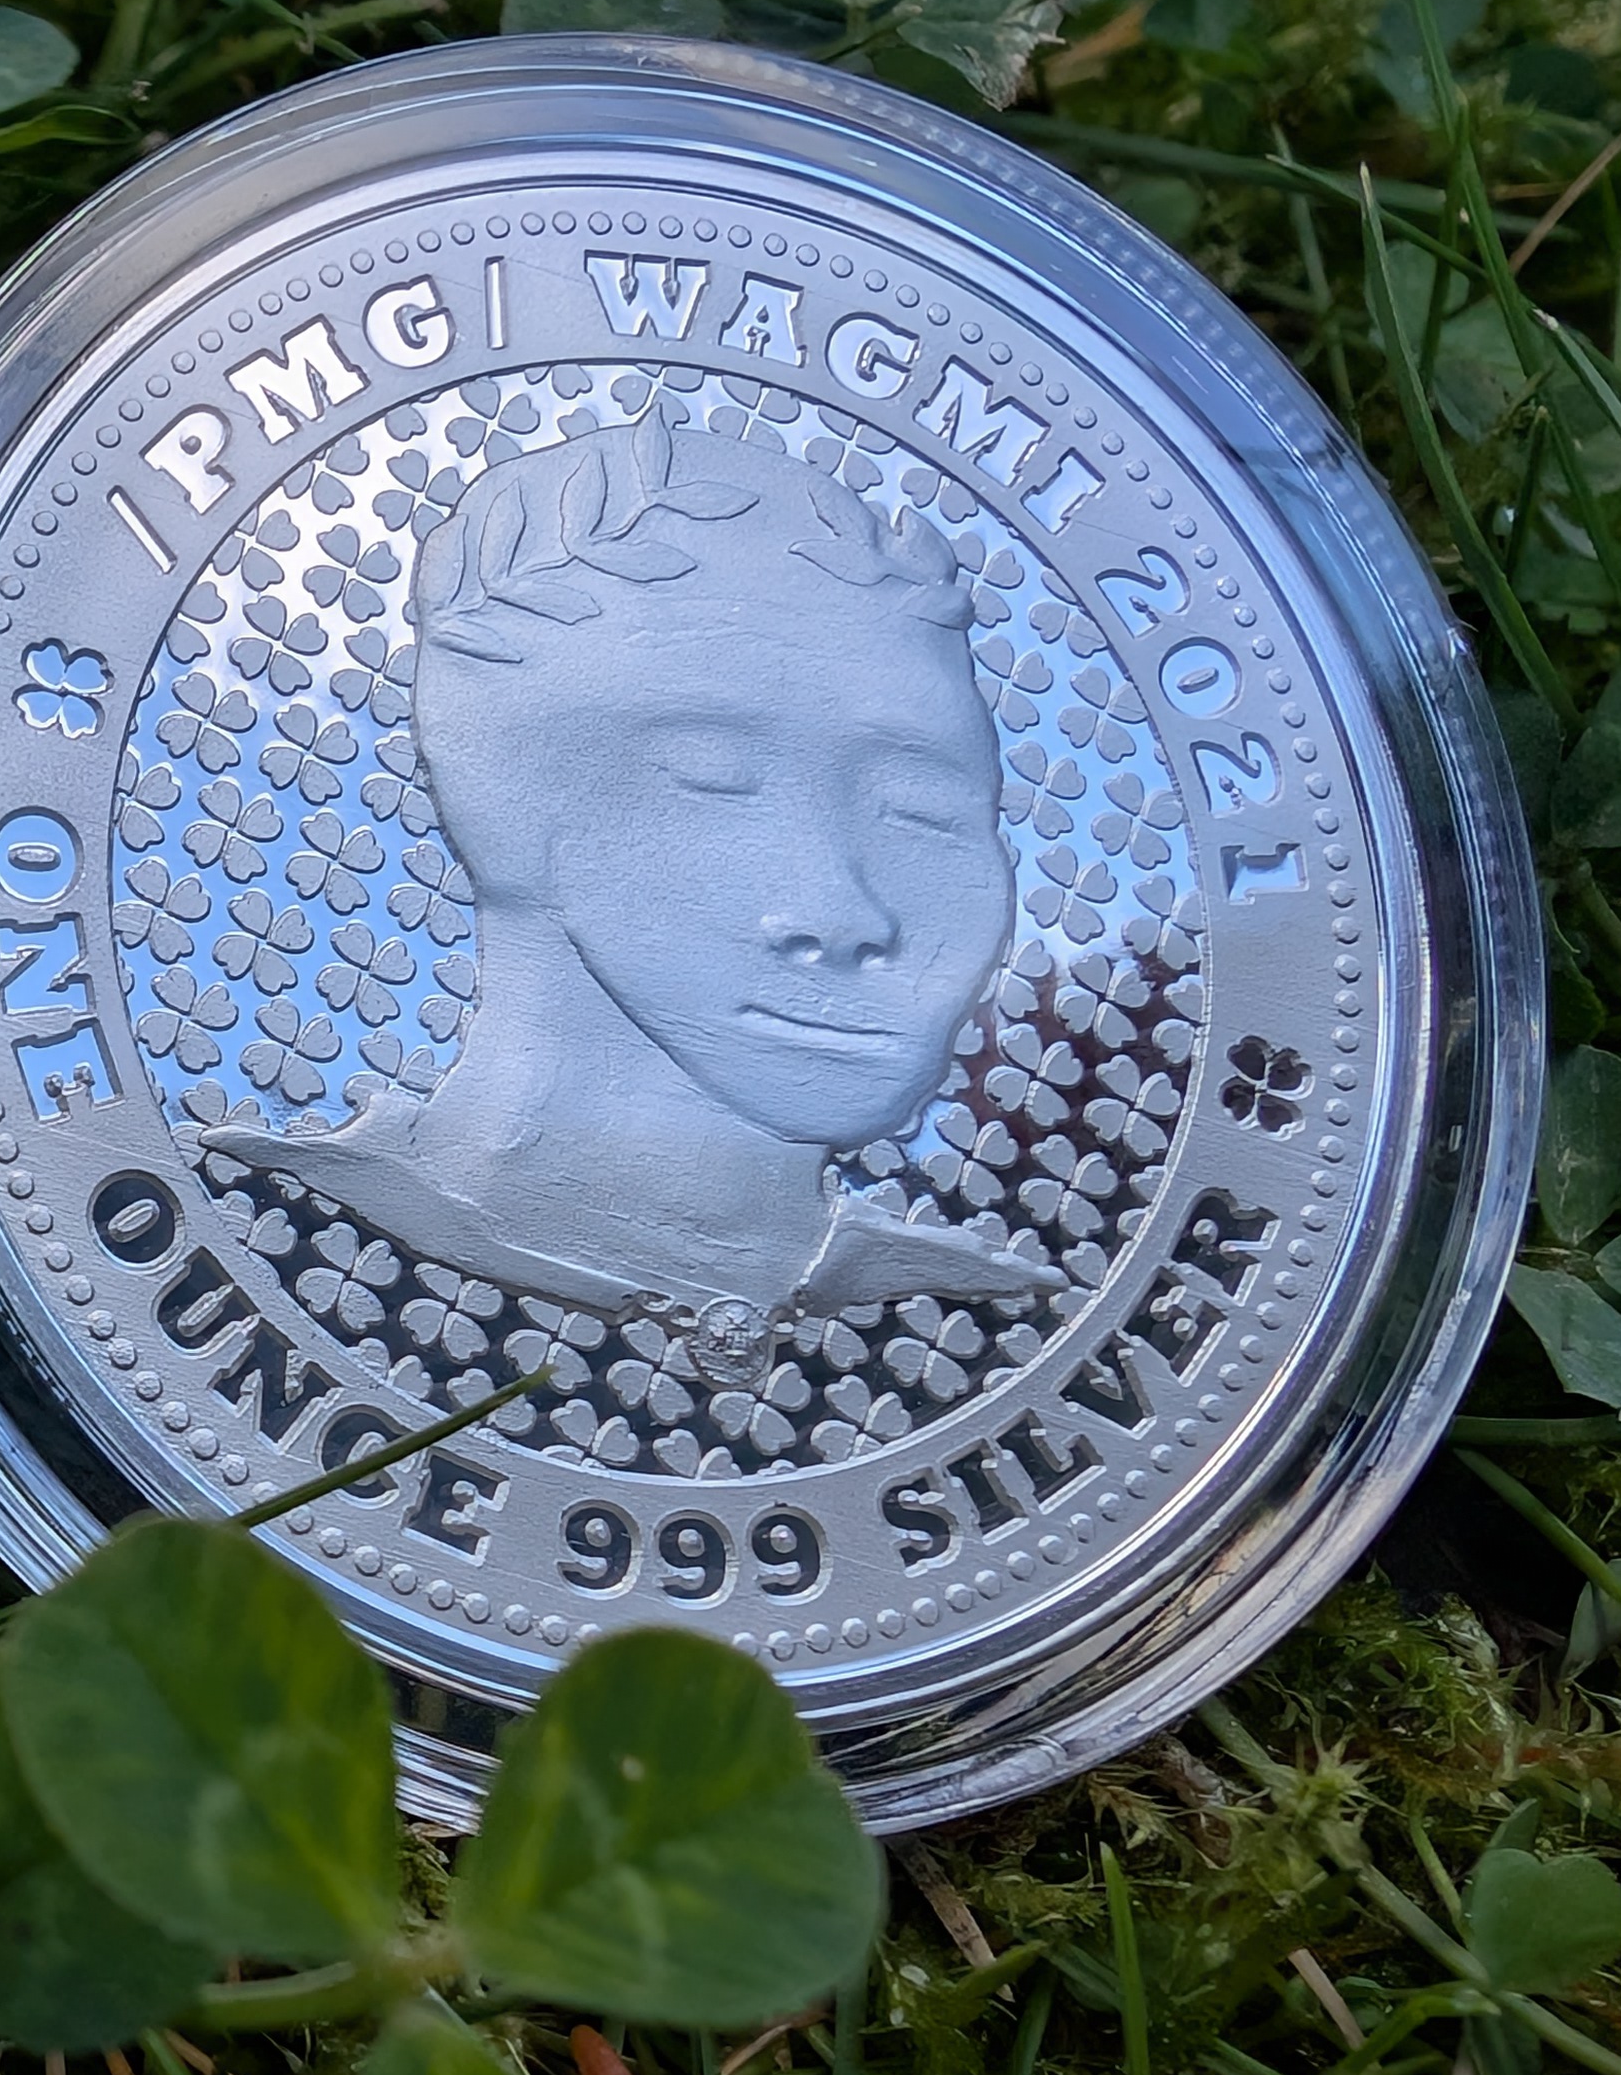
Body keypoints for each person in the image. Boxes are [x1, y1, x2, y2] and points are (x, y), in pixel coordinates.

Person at [200, 408, 1047, 1382]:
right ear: (485, 789)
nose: (849, 912)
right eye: (714, 776)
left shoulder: (983, 1326)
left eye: (923, 807)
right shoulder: (272, 1222)